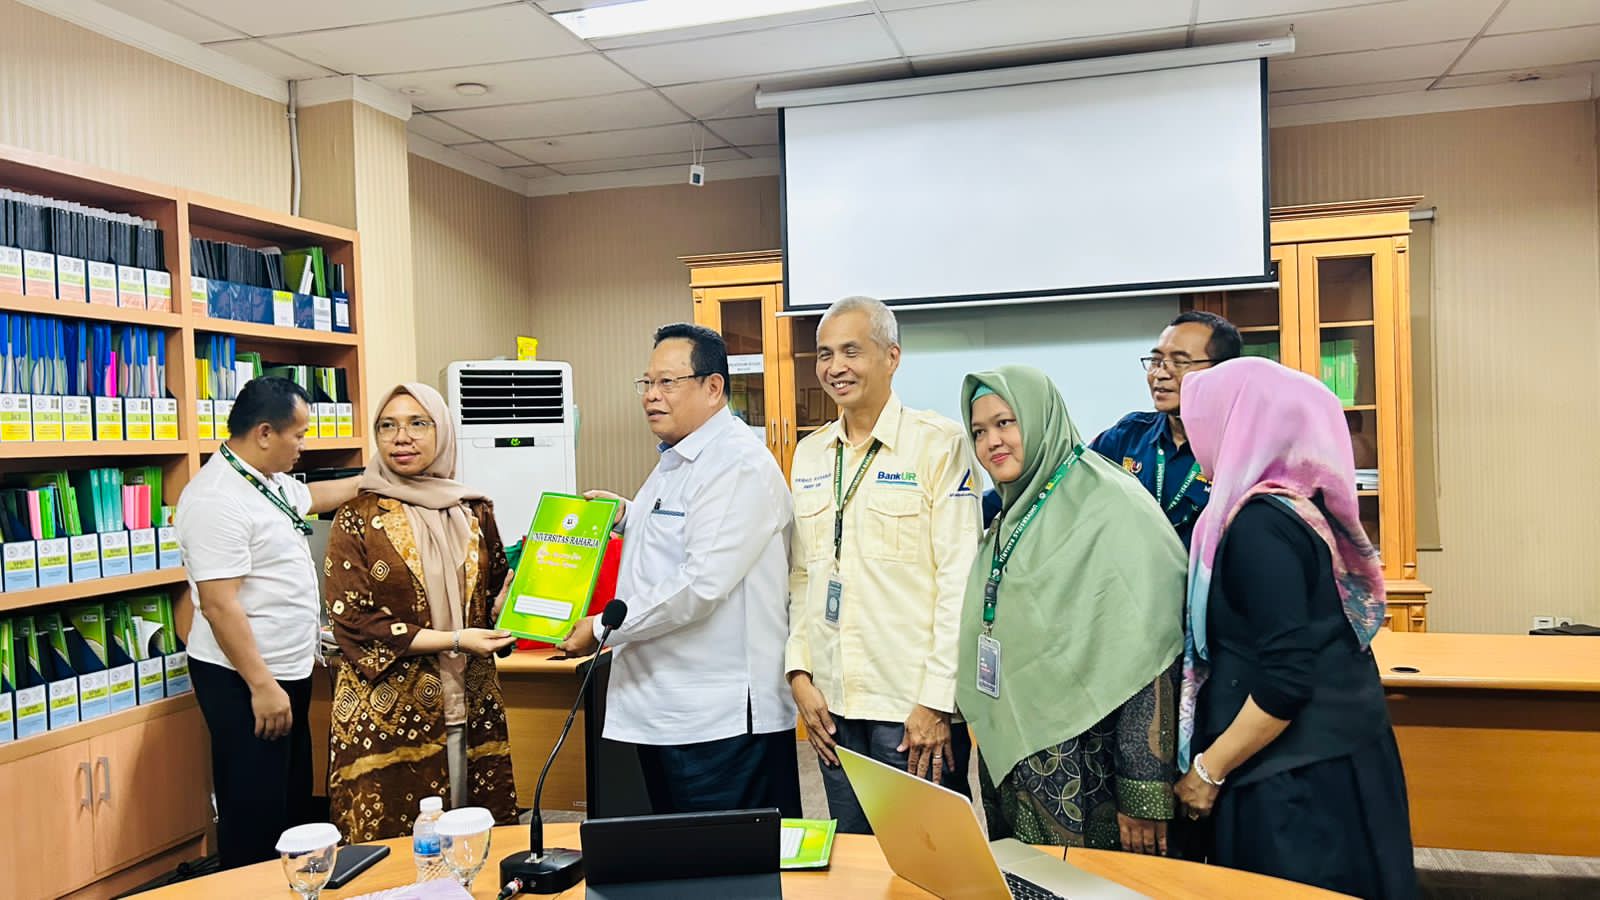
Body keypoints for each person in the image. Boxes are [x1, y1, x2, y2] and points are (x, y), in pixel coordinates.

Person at [1173, 358, 1416, 899]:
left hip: (1291, 779)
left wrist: (1208, 771)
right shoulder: (1302, 508)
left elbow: (1285, 678)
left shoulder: (1259, 526)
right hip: (1336, 753)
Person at [559, 323, 802, 818]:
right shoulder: (681, 455)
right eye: (647, 383)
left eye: (667, 382)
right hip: (670, 706)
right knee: (682, 850)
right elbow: (681, 532)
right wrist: (627, 516)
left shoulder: (735, 463)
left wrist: (603, 627)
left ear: (713, 387)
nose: (651, 395)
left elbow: (700, 583)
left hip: (720, 719)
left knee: (731, 857)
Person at [958, 365, 1185, 853]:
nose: (992, 442)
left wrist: (1143, 791)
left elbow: (1152, 654)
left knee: (1090, 883)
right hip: (1019, 762)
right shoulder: (1012, 511)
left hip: (1091, 768)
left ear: (1040, 418)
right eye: (978, 431)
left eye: (1005, 422)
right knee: (1024, 875)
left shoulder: (1111, 506)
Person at [786, 296, 982, 834]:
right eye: (825, 354)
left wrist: (937, 702)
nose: (835, 367)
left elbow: (959, 580)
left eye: (851, 351)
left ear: (892, 357)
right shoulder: (810, 453)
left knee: (931, 857)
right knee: (854, 860)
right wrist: (799, 673)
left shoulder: (939, 444)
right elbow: (802, 574)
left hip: (910, 708)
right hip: (833, 705)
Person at [174, 376, 360, 869]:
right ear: (263, 433)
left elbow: (313, 498)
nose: (303, 445)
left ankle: (295, 885)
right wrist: (261, 685)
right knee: (255, 811)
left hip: (286, 670)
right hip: (245, 679)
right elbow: (219, 605)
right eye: (298, 435)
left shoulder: (265, 480)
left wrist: (377, 481)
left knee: (291, 803)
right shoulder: (216, 499)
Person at [322, 383, 519, 842]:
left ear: (442, 431)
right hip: (390, 712)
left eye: (417, 424)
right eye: (387, 426)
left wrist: (509, 605)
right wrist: (456, 639)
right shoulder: (357, 515)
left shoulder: (474, 511)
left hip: (470, 700)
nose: (401, 438)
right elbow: (353, 621)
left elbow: (491, 596)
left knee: (474, 838)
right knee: (398, 846)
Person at [982, 311, 1243, 542]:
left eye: (1179, 361)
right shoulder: (1130, 435)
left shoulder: (1241, 452)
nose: (1160, 373)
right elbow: (1057, 477)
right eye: (1156, 361)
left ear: (1222, 371)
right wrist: (971, 509)